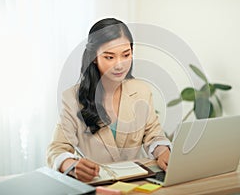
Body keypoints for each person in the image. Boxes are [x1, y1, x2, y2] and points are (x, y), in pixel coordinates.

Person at [47, 18, 171, 183]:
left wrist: (162, 151)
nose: (119, 65)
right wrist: (71, 165)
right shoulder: (72, 99)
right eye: (110, 57)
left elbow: (154, 136)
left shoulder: (141, 91)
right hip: (97, 184)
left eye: (126, 55)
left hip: (138, 183)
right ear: (94, 57)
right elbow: (56, 149)